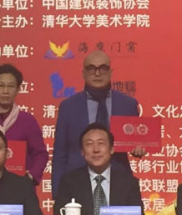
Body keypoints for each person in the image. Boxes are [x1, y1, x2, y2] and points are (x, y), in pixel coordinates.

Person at [52, 50, 143, 197]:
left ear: (111, 72)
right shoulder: (68, 107)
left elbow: (134, 142)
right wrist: (57, 194)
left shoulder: (127, 104)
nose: (97, 73)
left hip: (118, 180)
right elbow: (60, 154)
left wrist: (138, 148)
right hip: (76, 181)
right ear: (83, 73)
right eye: (91, 68)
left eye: (103, 68)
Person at [54, 123, 143, 215]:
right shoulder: (69, 181)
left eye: (101, 143)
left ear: (112, 149)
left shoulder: (129, 182)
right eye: (89, 144)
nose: (96, 149)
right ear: (82, 151)